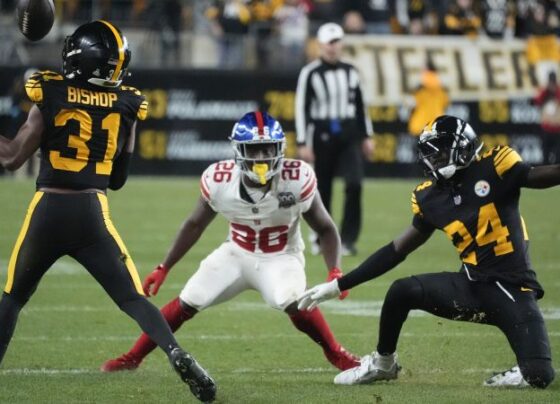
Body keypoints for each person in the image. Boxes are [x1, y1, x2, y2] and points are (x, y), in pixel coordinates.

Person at [0, 21, 216, 403]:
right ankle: (175, 352)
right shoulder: (128, 103)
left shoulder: (50, 91)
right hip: (92, 210)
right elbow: (117, 179)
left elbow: (14, 157)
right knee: (133, 298)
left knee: (14, 298)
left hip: (49, 208)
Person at [298, 115, 557, 389]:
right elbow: (396, 251)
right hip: (470, 288)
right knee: (402, 290)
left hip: (513, 290)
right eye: (431, 153)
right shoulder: (429, 197)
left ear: (462, 146)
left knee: (540, 376)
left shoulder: (496, 165)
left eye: (441, 151)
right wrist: (339, 284)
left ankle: (522, 370)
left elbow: (539, 175)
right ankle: (383, 364)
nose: (434, 159)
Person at [101, 111, 360, 374]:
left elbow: (326, 228)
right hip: (236, 253)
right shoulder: (219, 180)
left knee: (292, 299)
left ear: (280, 148)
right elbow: (194, 224)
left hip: (282, 256)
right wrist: (164, 266)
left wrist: (335, 270)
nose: (262, 158)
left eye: (268, 149)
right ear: (239, 151)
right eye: (254, 150)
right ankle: (133, 356)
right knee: (190, 298)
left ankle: (335, 352)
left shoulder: (296, 178)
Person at [295, 22, 374, 256]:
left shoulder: (351, 71)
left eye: (337, 41)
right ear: (320, 45)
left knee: (355, 183)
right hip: (321, 134)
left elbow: (361, 106)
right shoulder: (310, 72)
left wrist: (366, 136)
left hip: (348, 133)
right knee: (322, 189)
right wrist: (303, 142)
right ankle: (322, 237)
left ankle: (348, 240)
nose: (333, 47)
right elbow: (302, 108)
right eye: (329, 43)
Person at [534, 70, 560, 164]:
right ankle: (545, 177)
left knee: (558, 159)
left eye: (553, 82)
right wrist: (546, 91)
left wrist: (556, 92)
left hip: (558, 131)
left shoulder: (558, 92)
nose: (552, 85)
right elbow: (536, 101)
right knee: (545, 157)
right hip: (546, 130)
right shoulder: (544, 92)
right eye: (551, 82)